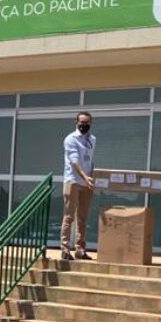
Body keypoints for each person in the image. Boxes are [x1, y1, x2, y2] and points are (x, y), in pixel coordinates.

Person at [61, 111, 96, 261]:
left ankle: (80, 249)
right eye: (82, 122)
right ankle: (65, 248)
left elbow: (89, 160)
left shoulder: (92, 139)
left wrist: (93, 177)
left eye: (87, 122)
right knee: (69, 216)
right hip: (73, 180)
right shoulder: (71, 139)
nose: (84, 125)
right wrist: (85, 177)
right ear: (76, 122)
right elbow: (75, 162)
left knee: (83, 217)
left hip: (87, 182)